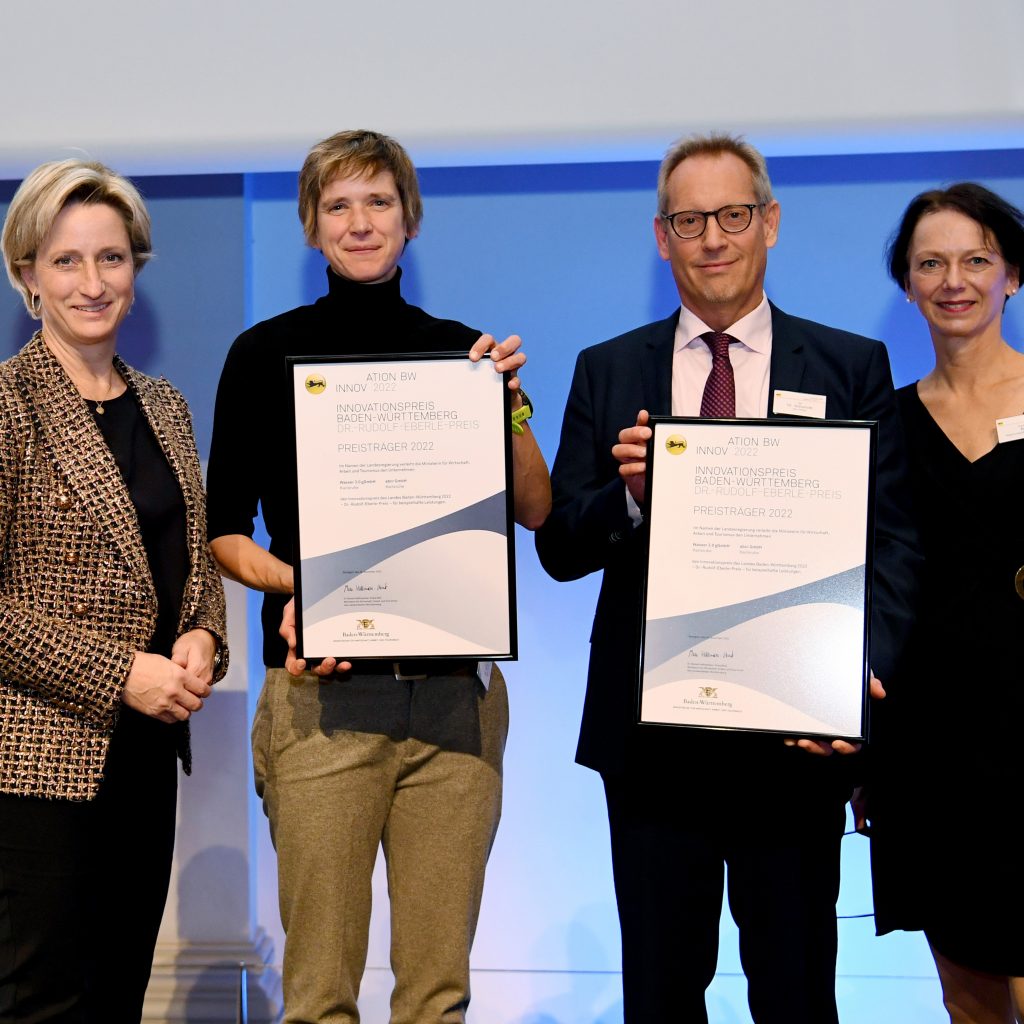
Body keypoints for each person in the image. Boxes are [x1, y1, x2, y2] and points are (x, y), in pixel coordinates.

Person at [534, 133, 921, 1024]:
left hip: (794, 739)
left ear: (770, 223)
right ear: (661, 237)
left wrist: (861, 675)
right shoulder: (608, 368)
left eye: (733, 215)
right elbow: (558, 545)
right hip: (653, 746)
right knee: (661, 993)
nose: (713, 238)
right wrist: (630, 501)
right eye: (689, 220)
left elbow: (894, 542)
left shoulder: (849, 366)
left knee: (796, 992)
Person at [206, 129, 550, 1024]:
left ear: (410, 219)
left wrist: (510, 409)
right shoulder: (262, 354)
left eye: (379, 202)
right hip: (320, 699)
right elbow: (223, 533)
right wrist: (306, 588)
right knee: (319, 993)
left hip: (453, 708)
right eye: (338, 205)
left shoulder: (466, 356)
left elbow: (535, 508)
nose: (360, 223)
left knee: (437, 994)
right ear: (312, 227)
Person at [0, 160, 228, 1023]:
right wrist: (121, 672)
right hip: (36, 764)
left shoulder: (165, 405)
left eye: (111, 258)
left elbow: (191, 562)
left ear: (137, 267)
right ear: (27, 273)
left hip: (145, 759)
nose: (92, 283)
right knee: (41, 1003)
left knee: (118, 995)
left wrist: (204, 632)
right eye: (66, 261)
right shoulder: (6, 403)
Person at [867, 183, 1024, 1024]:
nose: (953, 280)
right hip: (928, 743)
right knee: (968, 998)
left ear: (1013, 277)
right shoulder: (883, 426)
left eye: (976, 260)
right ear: (907, 284)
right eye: (930, 263)